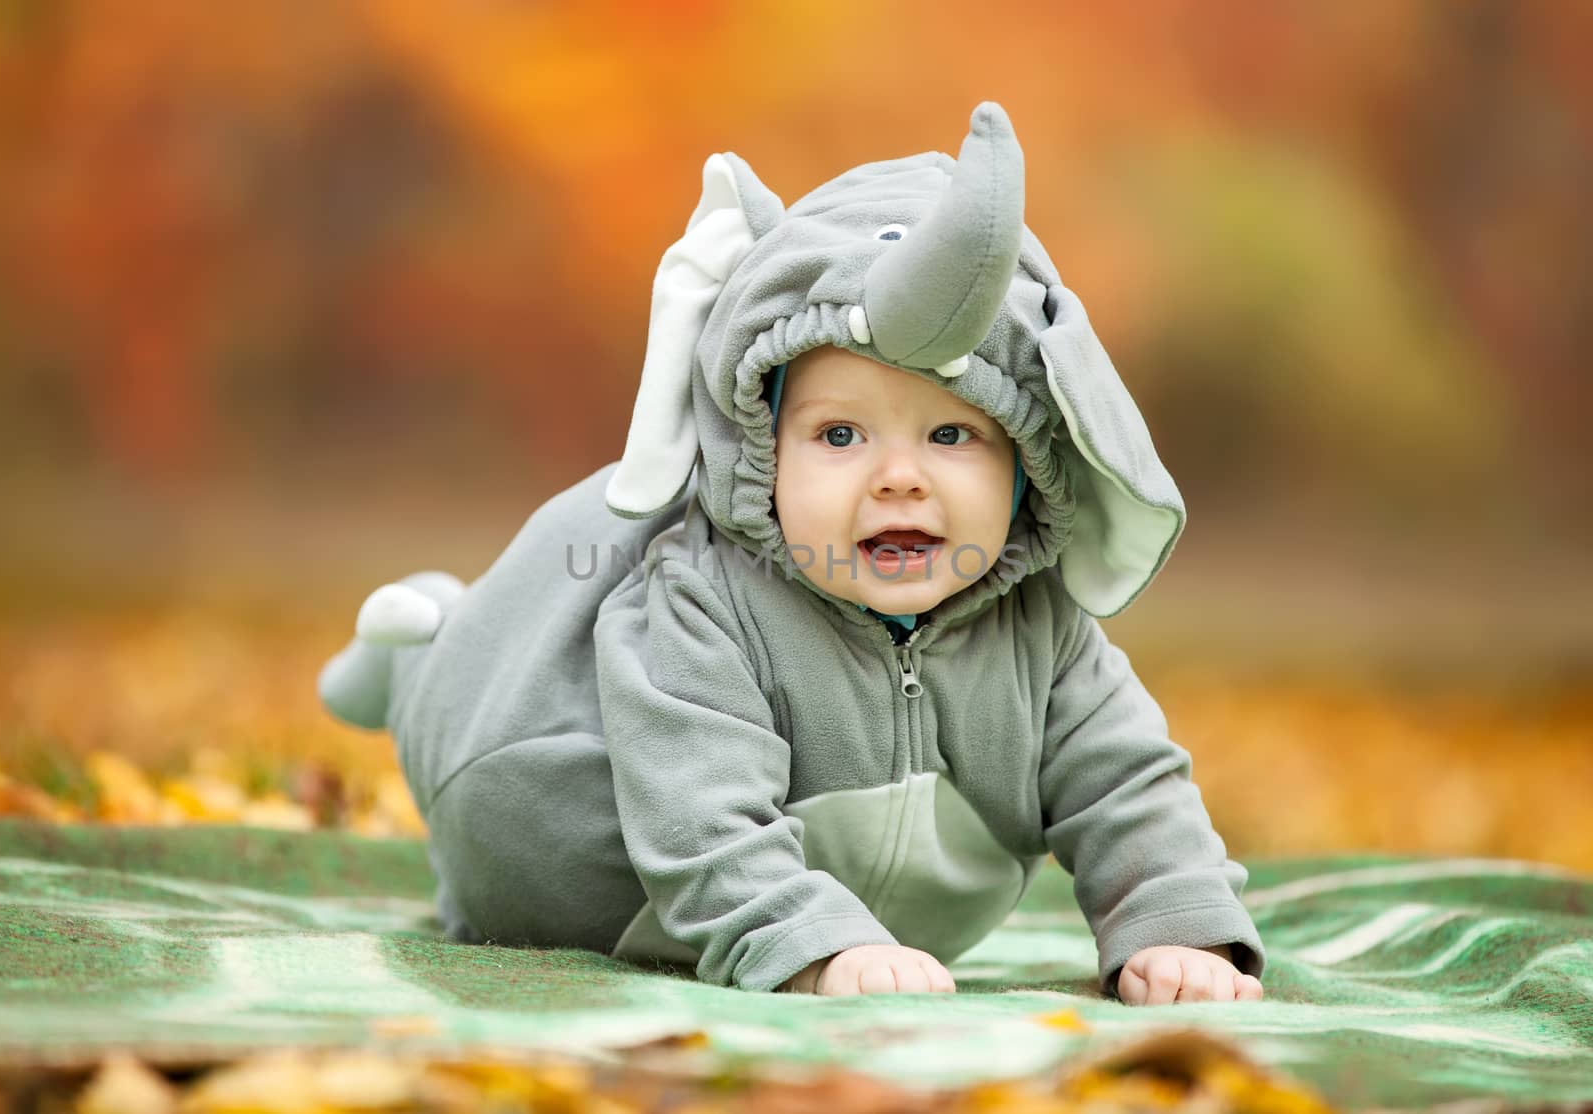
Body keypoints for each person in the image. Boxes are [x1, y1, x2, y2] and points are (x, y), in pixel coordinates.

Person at [318, 102, 1265, 1005]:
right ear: (764, 454)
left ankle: (416, 632)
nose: (899, 479)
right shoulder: (706, 601)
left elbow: (1127, 782)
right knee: (445, 668)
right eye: (841, 437)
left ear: (1028, 466)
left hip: (875, 915)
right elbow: (702, 816)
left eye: (950, 438)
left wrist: (1173, 926)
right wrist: (814, 944)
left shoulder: (1044, 630)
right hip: (557, 859)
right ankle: (413, 652)